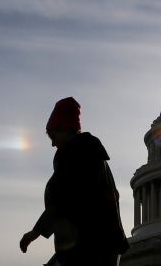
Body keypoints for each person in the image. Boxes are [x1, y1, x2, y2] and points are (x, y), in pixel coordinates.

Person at [20, 97, 129, 265]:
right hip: (104, 244)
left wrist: (34, 233)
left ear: (64, 129)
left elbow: (62, 200)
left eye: (53, 136)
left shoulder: (77, 155)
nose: (53, 143)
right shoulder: (92, 152)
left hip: (88, 247)